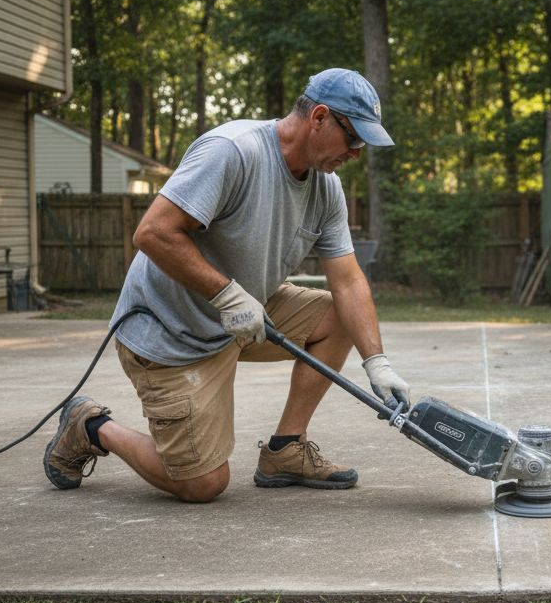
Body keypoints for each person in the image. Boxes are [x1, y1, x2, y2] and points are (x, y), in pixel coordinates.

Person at [42, 68, 410, 503]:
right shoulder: (233, 152)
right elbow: (153, 233)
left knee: (338, 316)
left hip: (243, 316)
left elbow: (348, 281)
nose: (355, 153)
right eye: (353, 140)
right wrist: (227, 295)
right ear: (320, 118)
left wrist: (377, 362)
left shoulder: (326, 188)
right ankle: (90, 427)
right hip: (170, 332)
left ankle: (286, 450)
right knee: (201, 485)